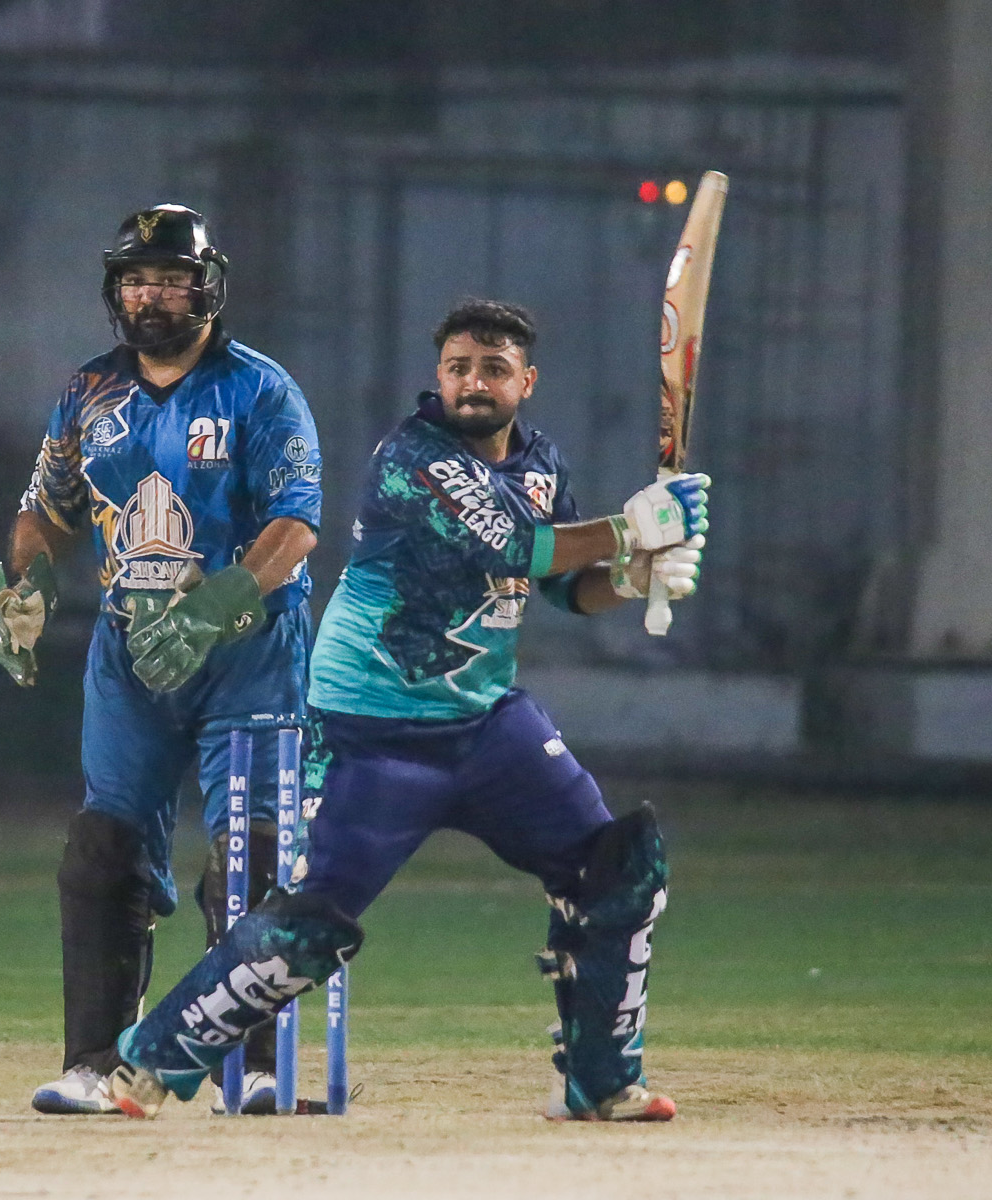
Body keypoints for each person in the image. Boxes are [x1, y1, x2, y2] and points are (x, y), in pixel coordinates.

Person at [99, 297, 707, 1122]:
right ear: (438, 377)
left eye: (493, 369)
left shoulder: (540, 462)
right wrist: (632, 527)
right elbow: (509, 544)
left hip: (487, 726)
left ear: (526, 382)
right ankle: (148, 1061)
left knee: (618, 869)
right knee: (312, 922)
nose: (473, 383)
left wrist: (632, 577)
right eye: (458, 368)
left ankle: (600, 1081)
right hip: (372, 729)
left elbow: (564, 586)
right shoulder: (414, 456)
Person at [0, 203, 322, 1116]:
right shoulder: (88, 392)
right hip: (128, 653)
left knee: (252, 854)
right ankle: (96, 1064)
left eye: (172, 281)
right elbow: (43, 509)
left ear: (207, 290)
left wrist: (214, 608)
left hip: (247, 649)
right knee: (103, 846)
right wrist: (21, 589)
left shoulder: (260, 391)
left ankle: (252, 1067)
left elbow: (295, 526)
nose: (152, 297)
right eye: (136, 281)